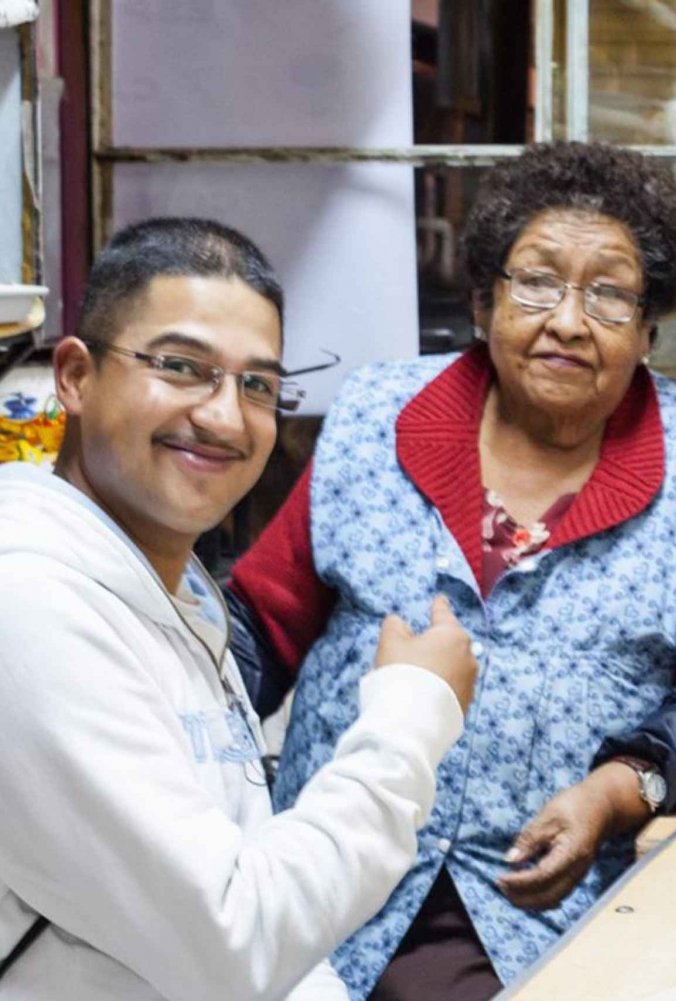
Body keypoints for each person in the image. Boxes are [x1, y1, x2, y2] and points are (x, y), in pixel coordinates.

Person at [227, 141, 676, 1000]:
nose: (568, 321)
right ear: (482, 300)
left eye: (609, 293)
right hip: (322, 883)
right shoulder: (373, 419)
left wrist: (621, 789)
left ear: (650, 329)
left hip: (545, 917)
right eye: (536, 281)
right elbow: (257, 629)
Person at [0, 218, 476, 1000]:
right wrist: (411, 718)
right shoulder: (30, 606)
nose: (225, 417)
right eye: (182, 366)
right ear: (75, 377)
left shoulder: (176, 597)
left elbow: (259, 903)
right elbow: (238, 938)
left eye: (257, 384)